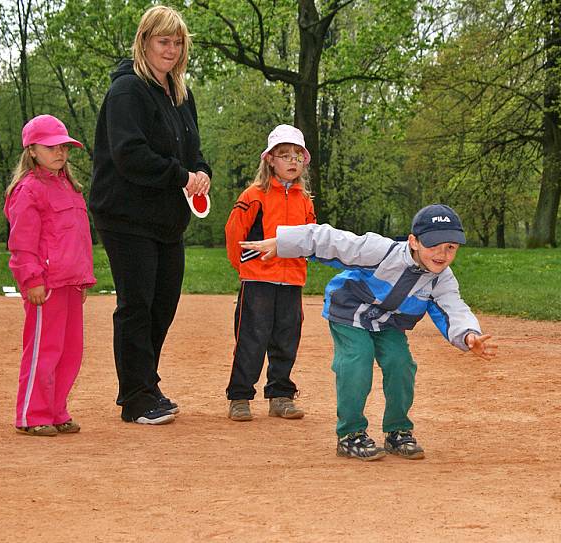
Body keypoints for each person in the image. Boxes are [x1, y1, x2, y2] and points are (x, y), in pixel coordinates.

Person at [240, 204, 497, 461]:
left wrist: (468, 335)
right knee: (357, 360)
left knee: (401, 364)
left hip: (390, 323)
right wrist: (284, 242)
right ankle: (350, 434)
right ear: (414, 242)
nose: (442, 253)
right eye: (434, 245)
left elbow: (454, 308)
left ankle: (398, 431)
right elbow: (330, 240)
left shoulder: (442, 278)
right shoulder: (381, 251)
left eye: (450, 247)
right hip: (350, 312)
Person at [89, 5, 212, 425]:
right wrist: (181, 175)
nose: (172, 50)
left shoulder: (180, 94)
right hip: (125, 215)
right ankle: (136, 398)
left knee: (163, 303)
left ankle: (148, 382)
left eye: (178, 43)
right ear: (144, 42)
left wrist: (202, 174)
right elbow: (129, 155)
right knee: (136, 305)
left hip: (166, 219)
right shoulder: (126, 91)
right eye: (164, 41)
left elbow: (193, 152)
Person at [4, 115, 96, 436]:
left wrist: (84, 277)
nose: (60, 152)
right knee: (44, 350)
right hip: (47, 285)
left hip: (72, 282)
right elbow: (22, 241)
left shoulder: (71, 187)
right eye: (51, 147)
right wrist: (31, 279)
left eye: (64, 147)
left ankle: (57, 410)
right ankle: (33, 414)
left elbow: (79, 239)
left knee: (70, 351)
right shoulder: (28, 190)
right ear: (32, 151)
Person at [223, 125, 316, 422]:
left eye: (297, 156)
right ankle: (239, 396)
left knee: (287, 338)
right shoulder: (254, 195)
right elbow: (234, 231)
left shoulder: (305, 200)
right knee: (252, 338)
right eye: (284, 155)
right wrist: (245, 267)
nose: (292, 161)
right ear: (270, 160)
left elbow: (311, 237)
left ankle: (281, 395)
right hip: (258, 280)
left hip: (291, 281)